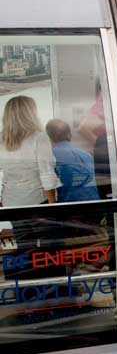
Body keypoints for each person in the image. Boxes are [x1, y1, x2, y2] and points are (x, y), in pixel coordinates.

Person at [0, 97, 62, 281]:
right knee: (49, 248)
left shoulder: (2, 139)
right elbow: (47, 175)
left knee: (24, 246)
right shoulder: (39, 138)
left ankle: (27, 287)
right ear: (30, 113)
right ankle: (50, 287)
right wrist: (53, 206)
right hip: (37, 202)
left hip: (12, 203)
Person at [46, 119, 99, 203]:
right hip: (95, 205)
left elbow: (47, 184)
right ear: (69, 135)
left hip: (71, 208)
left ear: (49, 137)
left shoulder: (52, 156)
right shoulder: (86, 154)